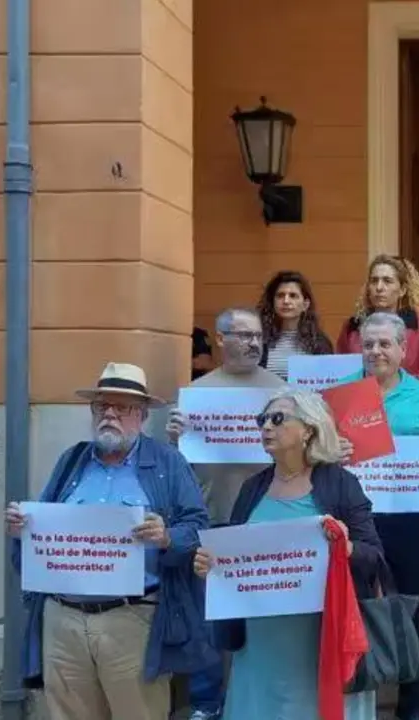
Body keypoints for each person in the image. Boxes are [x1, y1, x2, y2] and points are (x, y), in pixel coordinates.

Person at [4, 362, 214, 720]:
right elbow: (41, 533)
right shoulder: (72, 461)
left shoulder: (167, 461)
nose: (110, 415)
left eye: (123, 407)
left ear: (143, 414)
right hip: (63, 620)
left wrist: (166, 537)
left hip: (131, 619)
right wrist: (23, 530)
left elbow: (197, 526)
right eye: (103, 407)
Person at [195, 386, 385, 720]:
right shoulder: (253, 488)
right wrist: (211, 565)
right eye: (262, 419)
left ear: (309, 430)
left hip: (320, 639)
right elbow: (236, 553)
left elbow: (373, 557)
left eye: (278, 418)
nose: (266, 426)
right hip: (260, 642)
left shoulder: (340, 484)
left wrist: (344, 545)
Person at [165, 307, 286, 719]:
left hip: (265, 519)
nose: (253, 343)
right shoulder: (197, 394)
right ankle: (206, 702)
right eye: (242, 335)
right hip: (211, 517)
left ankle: (259, 700)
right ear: (220, 340)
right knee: (209, 619)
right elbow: (178, 467)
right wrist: (175, 438)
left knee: (264, 619)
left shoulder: (280, 392)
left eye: (257, 336)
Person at [343, 311, 419, 719]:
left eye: (385, 344)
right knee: (355, 606)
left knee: (411, 604)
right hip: (356, 521)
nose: (375, 351)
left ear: (403, 350)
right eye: (368, 344)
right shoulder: (342, 395)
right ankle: (358, 695)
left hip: (406, 519)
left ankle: (413, 697)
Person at [336, 254, 419, 392]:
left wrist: (400, 384)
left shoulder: (417, 326)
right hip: (362, 406)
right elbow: (339, 373)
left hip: (406, 405)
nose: (379, 287)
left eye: (387, 281)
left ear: (402, 290)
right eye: (374, 281)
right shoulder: (353, 327)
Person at [257, 270, 335, 379]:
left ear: (305, 305)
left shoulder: (320, 343)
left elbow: (328, 381)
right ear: (273, 302)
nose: (286, 301)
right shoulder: (259, 339)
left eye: (293, 296)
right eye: (280, 296)